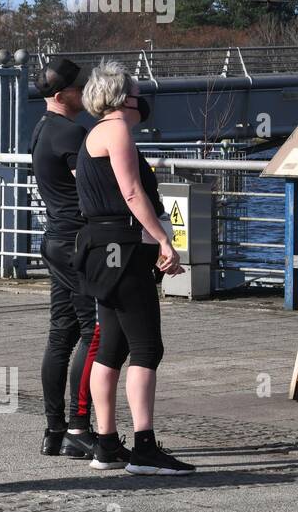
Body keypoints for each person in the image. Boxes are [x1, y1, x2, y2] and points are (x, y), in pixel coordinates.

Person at [73, 60, 194, 475]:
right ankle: (144, 447)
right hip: (122, 252)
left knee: (112, 347)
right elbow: (131, 192)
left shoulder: (93, 135)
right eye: (138, 91)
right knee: (146, 347)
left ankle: (105, 444)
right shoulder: (118, 131)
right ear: (123, 97)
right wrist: (163, 240)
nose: (143, 99)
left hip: (100, 251)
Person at [31, 58, 101, 459]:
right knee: (93, 333)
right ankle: (78, 427)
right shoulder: (72, 134)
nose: (86, 92)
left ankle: (53, 431)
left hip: (55, 240)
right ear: (61, 96)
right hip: (77, 244)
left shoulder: (41, 131)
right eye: (80, 88)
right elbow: (89, 186)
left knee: (61, 335)